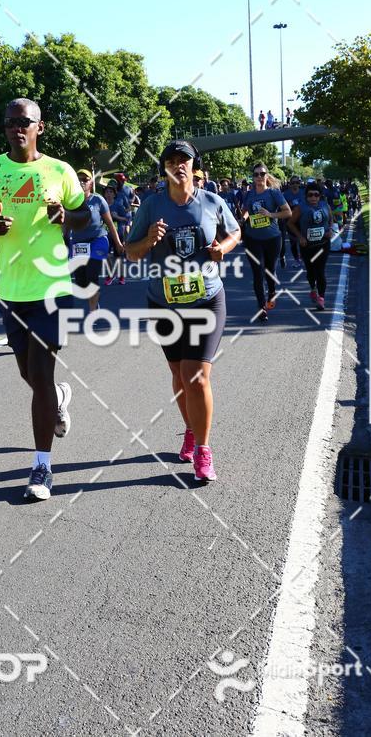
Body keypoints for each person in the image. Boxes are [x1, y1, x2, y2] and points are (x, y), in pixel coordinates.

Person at [0, 97, 90, 502]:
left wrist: (64, 219)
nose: (16, 128)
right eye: (9, 123)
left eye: (24, 122)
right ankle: (59, 399)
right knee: (31, 376)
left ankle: (41, 467)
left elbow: (83, 216)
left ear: (40, 127)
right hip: (10, 290)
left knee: (40, 369)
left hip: (52, 287)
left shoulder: (59, 170)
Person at [126, 139, 240, 483]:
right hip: (163, 302)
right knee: (178, 374)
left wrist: (223, 247)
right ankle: (190, 429)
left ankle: (203, 451)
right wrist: (148, 240)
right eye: (171, 160)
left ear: (194, 167)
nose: (179, 166)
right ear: (164, 168)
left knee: (196, 374)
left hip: (206, 299)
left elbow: (234, 231)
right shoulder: (151, 206)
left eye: (184, 161)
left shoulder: (211, 202)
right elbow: (131, 253)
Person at [241, 163, 291, 321]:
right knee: (258, 272)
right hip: (252, 238)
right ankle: (262, 307)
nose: (259, 177)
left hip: (272, 238)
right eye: (256, 174)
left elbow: (287, 212)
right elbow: (246, 210)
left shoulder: (274, 193)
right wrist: (242, 219)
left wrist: (270, 214)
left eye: (262, 174)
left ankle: (271, 291)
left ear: (267, 176)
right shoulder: (249, 194)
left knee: (270, 270)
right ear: (252, 177)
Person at [71, 170, 124, 311]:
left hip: (98, 240)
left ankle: (93, 311)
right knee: (81, 281)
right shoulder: (70, 201)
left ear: (91, 183)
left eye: (85, 179)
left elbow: (110, 224)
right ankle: (95, 298)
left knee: (92, 275)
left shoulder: (98, 200)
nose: (82, 182)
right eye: (79, 179)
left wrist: (118, 243)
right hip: (78, 244)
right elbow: (65, 226)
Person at [287, 182, 333, 311]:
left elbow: (330, 219)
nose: (313, 198)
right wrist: (300, 237)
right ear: (306, 196)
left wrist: (329, 229)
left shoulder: (325, 206)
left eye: (316, 195)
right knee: (311, 271)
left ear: (320, 196)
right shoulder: (300, 208)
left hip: (323, 244)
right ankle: (313, 288)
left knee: (320, 271)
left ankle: (321, 298)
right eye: (310, 195)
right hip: (307, 246)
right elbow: (290, 224)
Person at [104, 182, 129, 285]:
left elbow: (127, 219)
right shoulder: (102, 205)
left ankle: (121, 276)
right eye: (107, 192)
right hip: (105, 235)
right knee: (108, 256)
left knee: (119, 256)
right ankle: (111, 274)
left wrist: (117, 217)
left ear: (114, 194)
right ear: (104, 194)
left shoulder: (118, 205)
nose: (109, 194)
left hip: (118, 234)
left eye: (111, 192)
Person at [281, 176, 304, 267]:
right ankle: (297, 259)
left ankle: (302, 256)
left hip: (302, 220)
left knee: (303, 239)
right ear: (290, 184)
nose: (295, 184)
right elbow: (282, 208)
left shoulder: (303, 193)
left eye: (297, 182)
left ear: (299, 183)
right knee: (293, 241)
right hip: (290, 221)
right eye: (293, 183)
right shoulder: (285, 194)